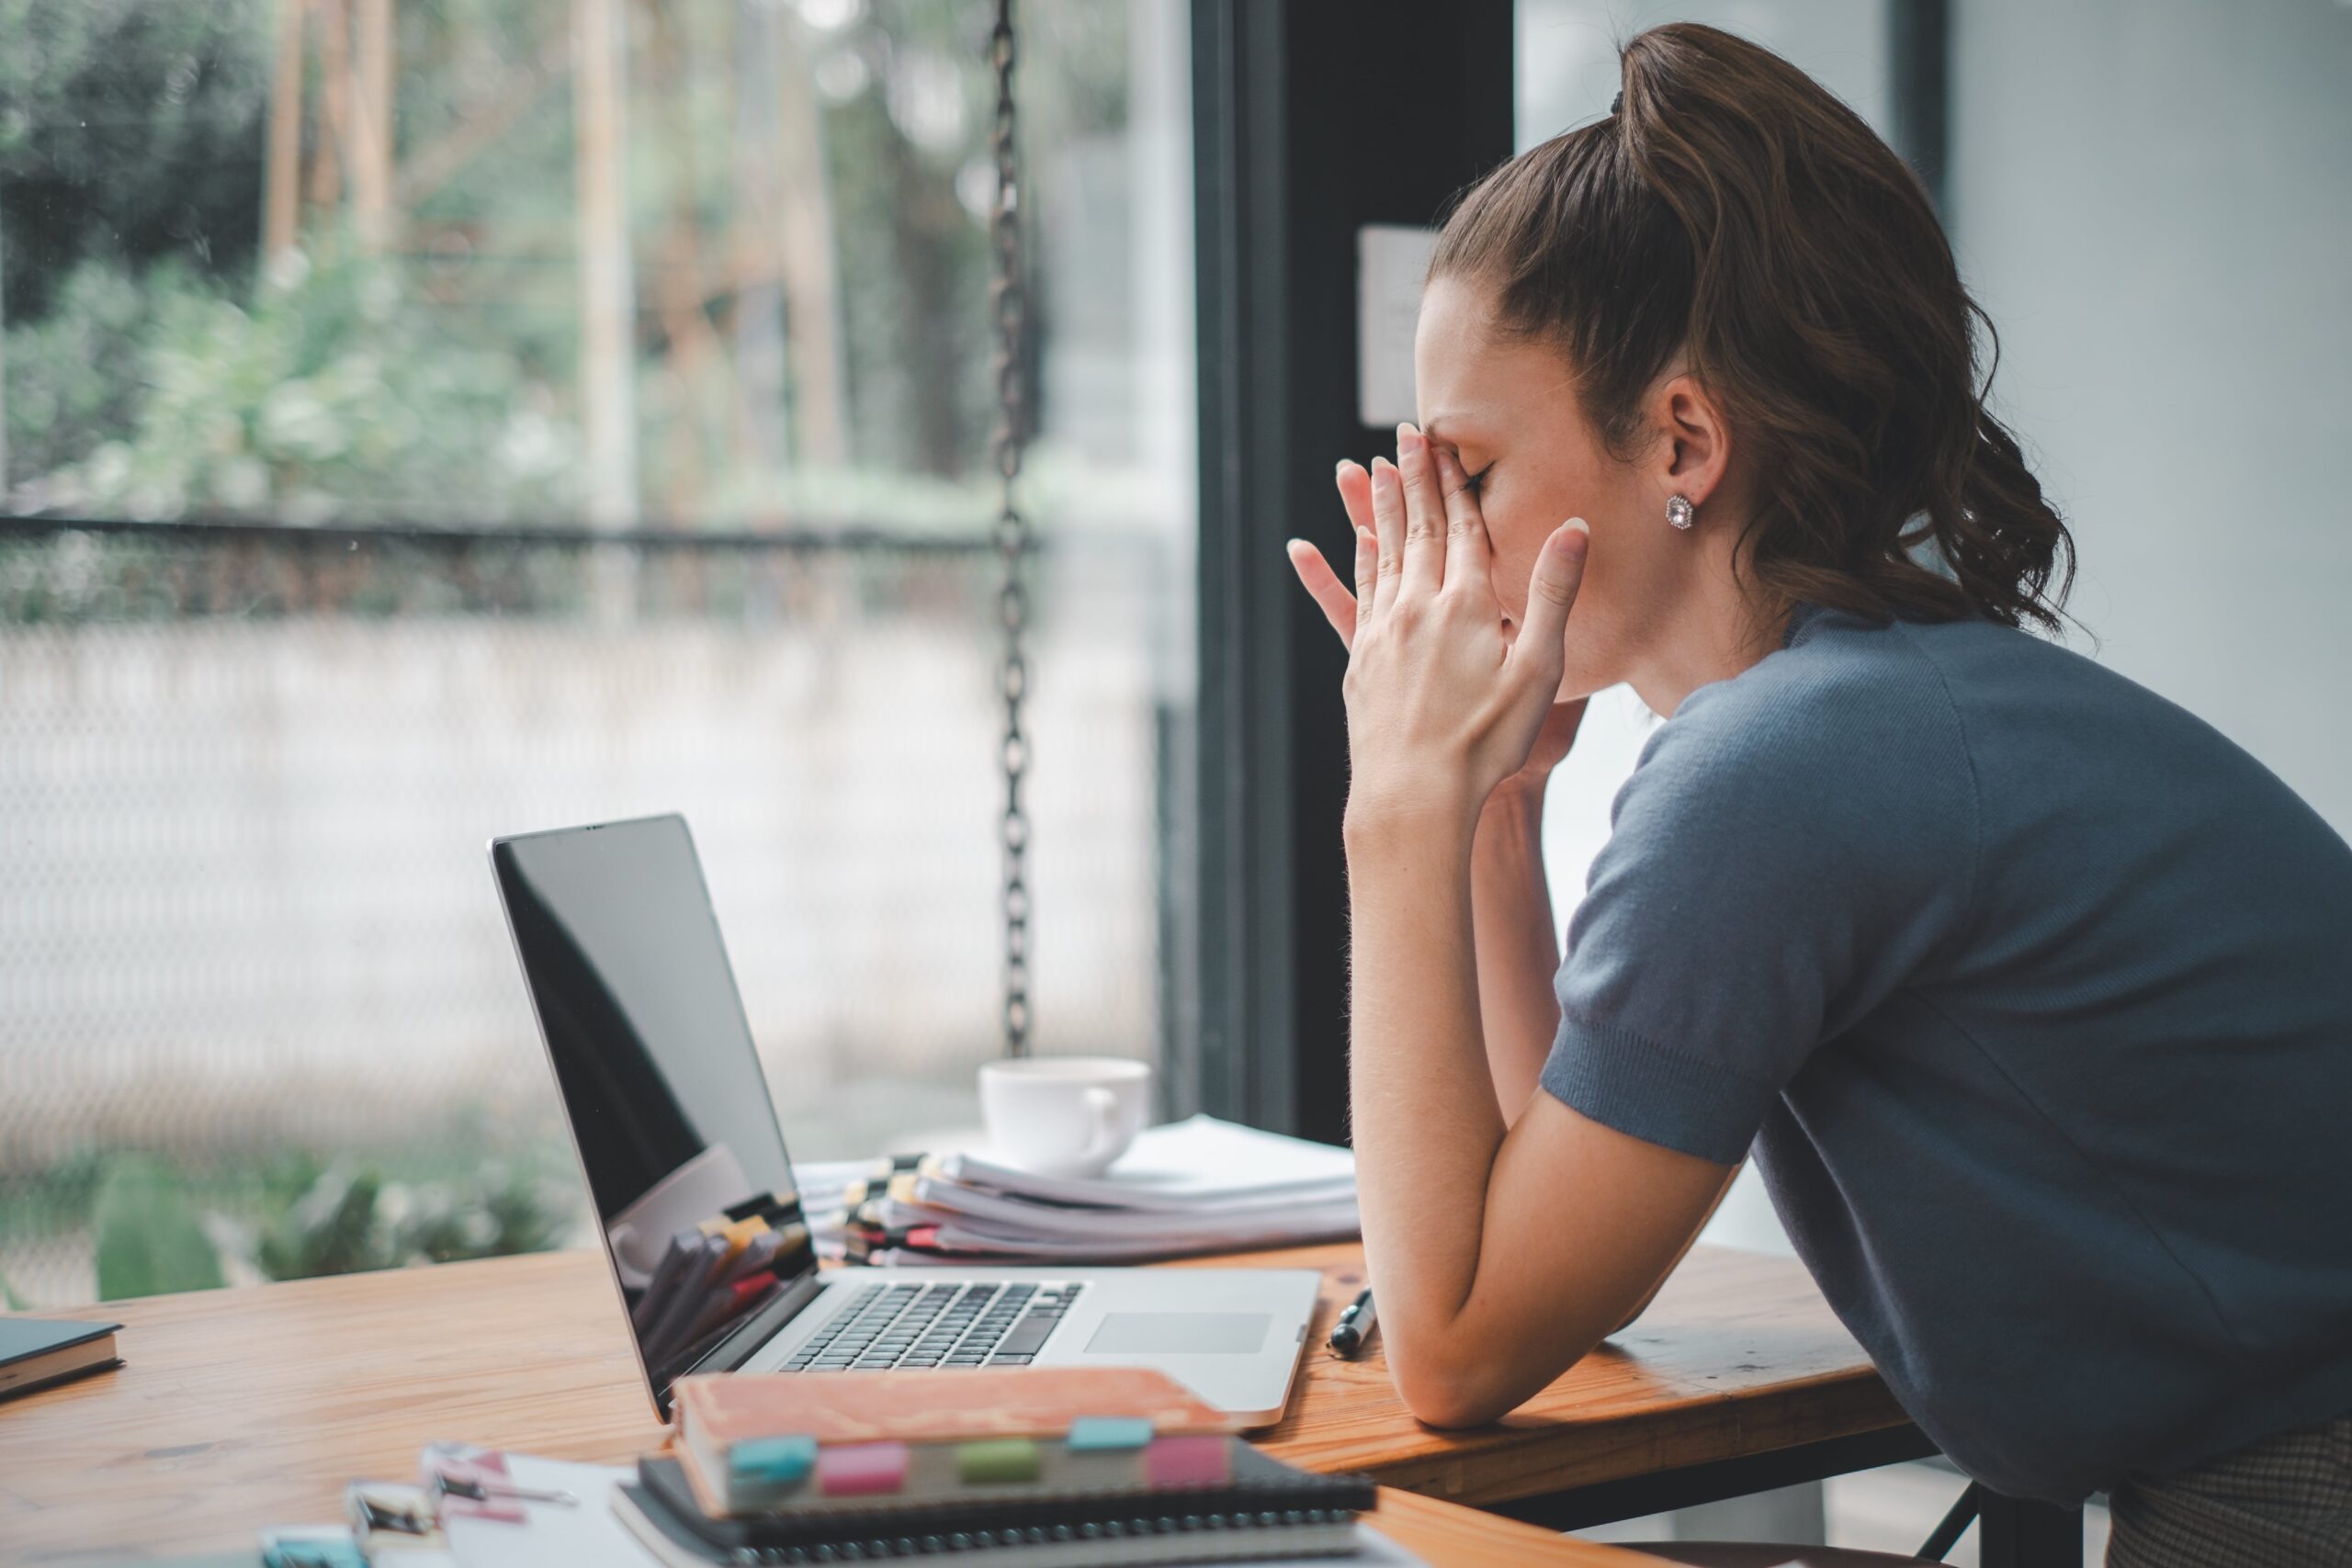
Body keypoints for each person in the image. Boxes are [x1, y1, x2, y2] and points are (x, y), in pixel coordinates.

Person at [1282, 22, 2352, 1568]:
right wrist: (1494, 816)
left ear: (1685, 440)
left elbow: (1454, 1348)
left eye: (1472, 473)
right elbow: (1549, 1251)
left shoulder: (1778, 771)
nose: (1438, 545)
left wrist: (1391, 805)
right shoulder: (1849, 715)